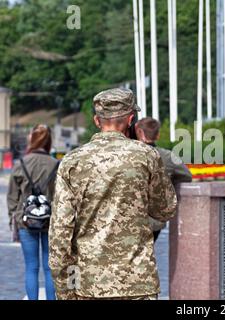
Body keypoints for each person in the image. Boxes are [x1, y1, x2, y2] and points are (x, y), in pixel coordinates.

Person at [49, 88, 177, 300]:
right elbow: (166, 209)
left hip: (88, 284)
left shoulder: (73, 161)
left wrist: (65, 290)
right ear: (130, 119)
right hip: (137, 282)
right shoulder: (147, 156)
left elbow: (60, 232)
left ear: (97, 121)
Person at [7, 124, 58, 300]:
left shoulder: (21, 164)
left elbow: (13, 197)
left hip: (26, 221)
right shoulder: (56, 164)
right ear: (49, 141)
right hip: (50, 221)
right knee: (50, 267)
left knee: (31, 267)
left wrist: (13, 218)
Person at [135, 117, 192, 241]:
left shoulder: (127, 154)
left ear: (138, 132)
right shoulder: (168, 156)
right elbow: (187, 176)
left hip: (128, 218)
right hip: (154, 220)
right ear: (158, 135)